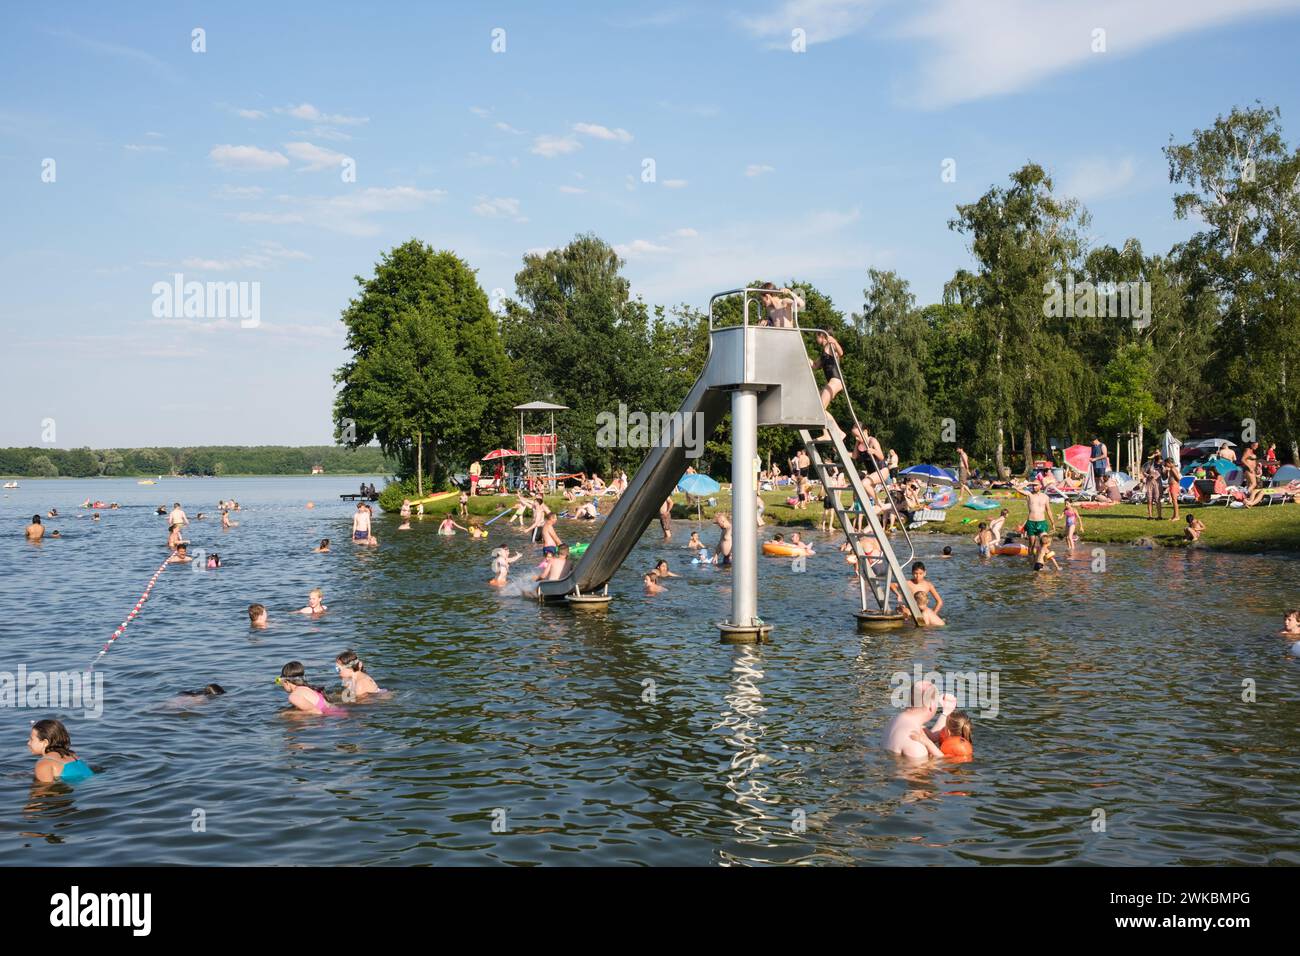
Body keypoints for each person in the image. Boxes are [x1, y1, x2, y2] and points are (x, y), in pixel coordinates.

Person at [883, 681, 955, 760]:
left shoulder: (894, 721)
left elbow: (932, 736)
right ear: (931, 705)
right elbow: (926, 770)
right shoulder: (916, 746)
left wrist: (945, 713)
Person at [29, 719, 94, 784]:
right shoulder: (72, 755)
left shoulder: (43, 764)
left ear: (45, 742)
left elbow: (45, 791)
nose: (28, 743)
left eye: (31, 739)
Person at [810, 330, 846, 442]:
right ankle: (838, 432)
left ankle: (830, 433)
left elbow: (840, 353)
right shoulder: (824, 352)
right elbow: (815, 365)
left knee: (820, 408)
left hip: (836, 380)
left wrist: (834, 341)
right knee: (818, 408)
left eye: (817, 337)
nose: (816, 340)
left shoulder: (830, 346)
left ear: (822, 336)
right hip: (832, 381)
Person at [276, 662, 346, 716]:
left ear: (286, 681)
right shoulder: (307, 688)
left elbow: (317, 712)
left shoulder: (293, 696)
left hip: (334, 719)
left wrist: (289, 713)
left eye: (280, 682)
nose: (281, 685)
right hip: (341, 713)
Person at [893, 561, 945, 626]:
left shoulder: (928, 585)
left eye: (920, 573)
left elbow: (939, 602)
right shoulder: (908, 583)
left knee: (929, 619)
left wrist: (934, 613)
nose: (918, 576)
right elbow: (892, 585)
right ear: (912, 573)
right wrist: (898, 594)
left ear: (925, 573)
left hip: (923, 610)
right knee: (901, 610)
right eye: (915, 573)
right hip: (911, 611)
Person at [1024, 482, 1055, 560]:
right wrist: (1030, 482)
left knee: (1044, 542)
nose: (1034, 487)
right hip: (1031, 522)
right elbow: (1017, 488)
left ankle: (1043, 559)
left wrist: (1053, 523)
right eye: (1033, 486)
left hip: (1041, 522)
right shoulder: (1029, 495)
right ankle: (1031, 560)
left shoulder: (1045, 497)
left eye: (1035, 485)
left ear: (1040, 486)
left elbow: (1048, 510)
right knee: (1032, 544)